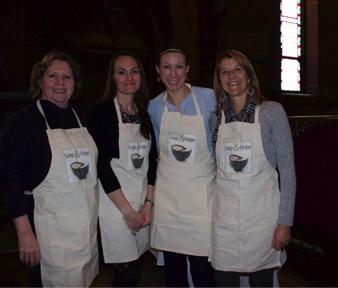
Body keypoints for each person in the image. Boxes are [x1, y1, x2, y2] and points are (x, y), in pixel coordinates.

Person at [0, 51, 99, 287]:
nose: (60, 83)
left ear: (75, 83)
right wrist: (25, 234)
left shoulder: (82, 117)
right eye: (53, 76)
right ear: (40, 80)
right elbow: (8, 180)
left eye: (67, 77)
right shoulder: (23, 121)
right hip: (47, 233)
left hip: (84, 231)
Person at [210, 49, 296, 287]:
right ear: (219, 79)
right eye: (224, 72)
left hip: (262, 222)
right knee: (224, 279)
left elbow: (288, 174)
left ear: (249, 75)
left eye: (238, 69)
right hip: (224, 221)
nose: (232, 76)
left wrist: (284, 223)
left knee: (262, 280)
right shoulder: (215, 118)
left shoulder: (272, 112)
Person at [148, 47, 217, 287]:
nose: (173, 73)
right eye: (166, 66)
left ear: (187, 69)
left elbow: (218, 142)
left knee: (202, 268)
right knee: (174, 271)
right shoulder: (154, 107)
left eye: (179, 66)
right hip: (170, 199)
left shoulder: (208, 97)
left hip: (200, 198)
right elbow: (160, 153)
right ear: (158, 71)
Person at [87, 51, 157, 287]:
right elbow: (101, 166)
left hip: (140, 201)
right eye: (121, 72)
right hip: (115, 204)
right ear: (113, 78)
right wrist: (127, 212)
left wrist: (148, 204)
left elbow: (153, 163)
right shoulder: (102, 113)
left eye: (134, 71)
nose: (129, 77)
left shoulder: (146, 113)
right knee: (125, 271)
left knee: (135, 267)